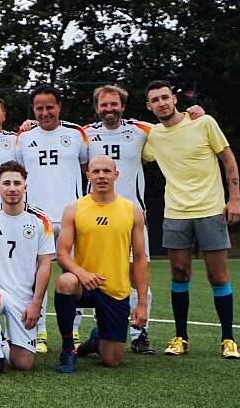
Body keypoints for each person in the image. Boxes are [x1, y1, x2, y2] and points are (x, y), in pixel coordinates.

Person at [142, 80, 240, 359]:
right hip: (175, 213)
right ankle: (180, 337)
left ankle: (228, 339)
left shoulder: (204, 121)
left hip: (211, 210)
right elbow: (129, 149)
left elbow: (229, 160)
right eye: (155, 100)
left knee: (218, 275)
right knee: (179, 273)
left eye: (165, 97)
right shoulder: (154, 137)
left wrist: (233, 199)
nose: (161, 103)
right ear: (149, 107)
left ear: (174, 99)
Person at [54, 155, 150, 373]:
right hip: (83, 283)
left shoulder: (132, 210)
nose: (101, 176)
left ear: (116, 175)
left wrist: (142, 303)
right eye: (96, 172)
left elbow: (141, 258)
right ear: (88, 176)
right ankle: (68, 349)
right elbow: (62, 253)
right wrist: (82, 273)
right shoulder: (74, 208)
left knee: (112, 360)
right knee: (65, 281)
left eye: (107, 171)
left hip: (115, 288)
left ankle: (97, 340)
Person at [13, 83, 88, 354]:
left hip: (72, 218)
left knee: (75, 279)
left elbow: (86, 167)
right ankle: (39, 333)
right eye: (39, 108)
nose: (45, 112)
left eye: (49, 107)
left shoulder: (77, 134)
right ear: (33, 110)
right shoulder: (23, 138)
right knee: (36, 280)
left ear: (59, 107)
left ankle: (74, 333)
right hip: (36, 220)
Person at [86, 84, 156, 353]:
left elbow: (173, 127)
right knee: (96, 276)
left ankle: (140, 334)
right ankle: (98, 332)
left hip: (132, 216)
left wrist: (192, 113)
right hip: (96, 218)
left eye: (114, 104)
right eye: (103, 105)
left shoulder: (141, 130)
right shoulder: (85, 134)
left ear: (123, 106)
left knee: (138, 274)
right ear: (97, 107)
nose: (109, 109)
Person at [0, 161, 55, 376]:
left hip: (24, 298)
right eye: (6, 183)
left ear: (25, 187)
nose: (12, 188)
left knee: (24, 363)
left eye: (17, 183)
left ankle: (0, 342)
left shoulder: (41, 219)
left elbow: (45, 263)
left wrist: (36, 303)